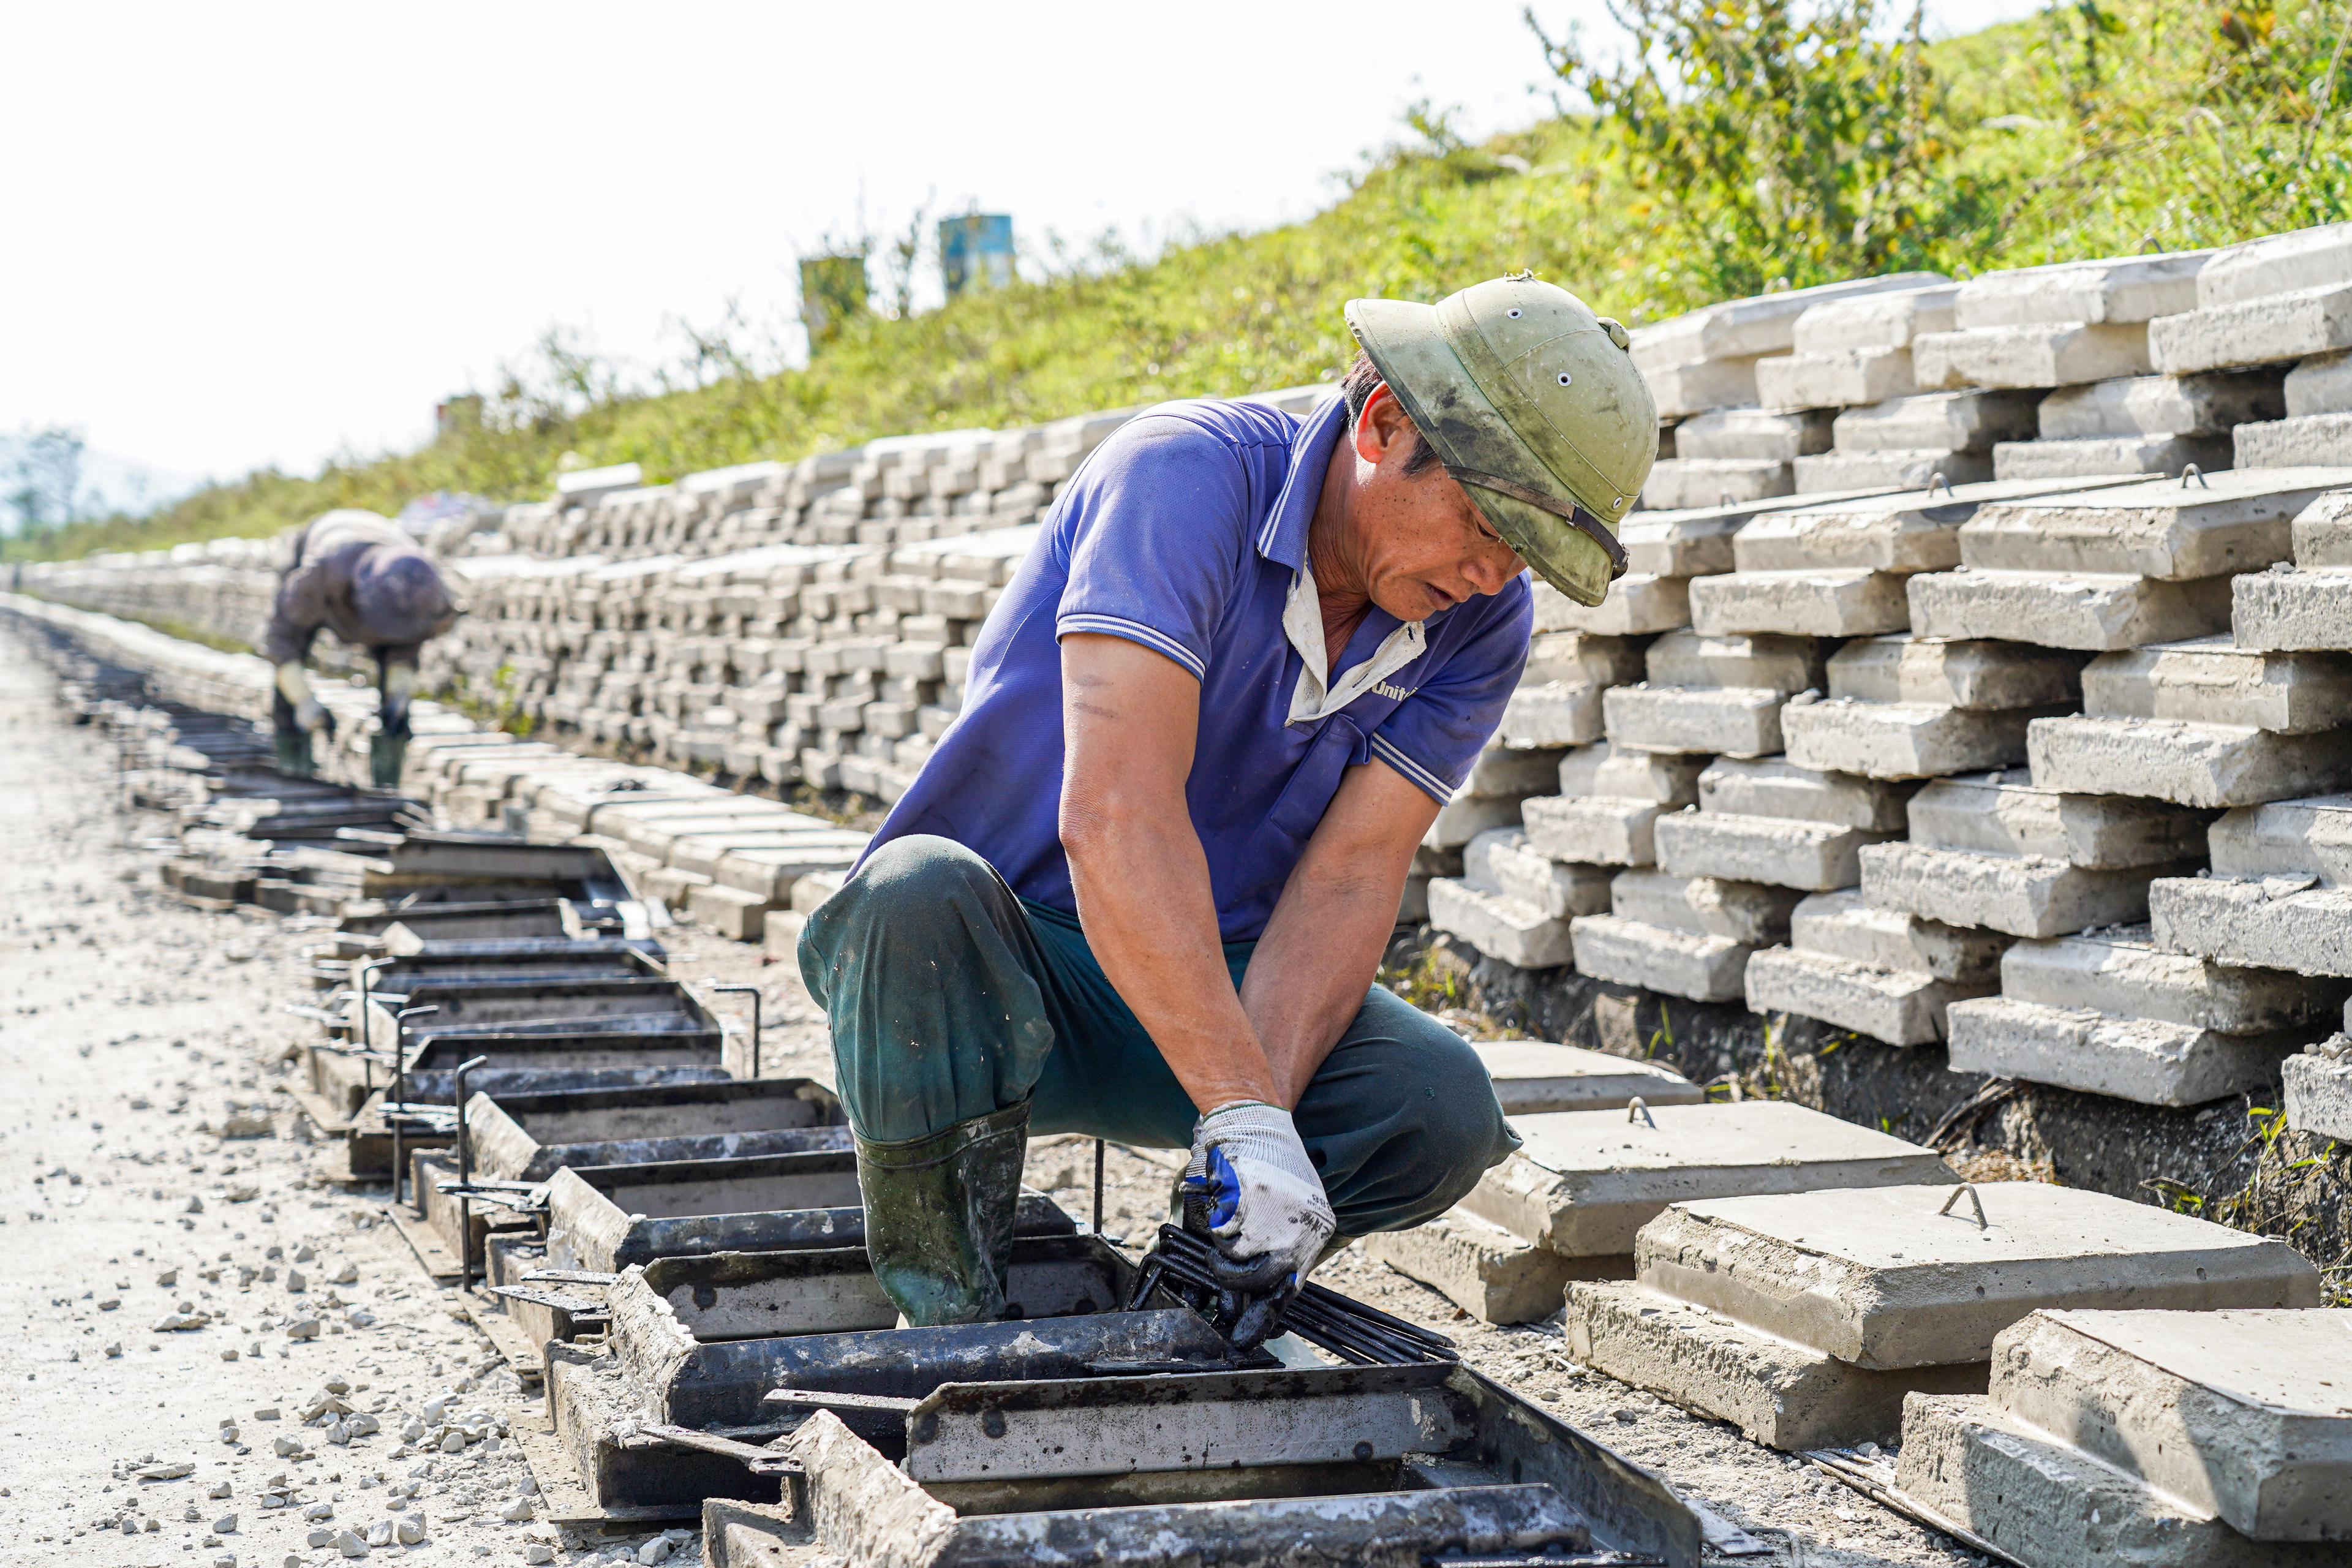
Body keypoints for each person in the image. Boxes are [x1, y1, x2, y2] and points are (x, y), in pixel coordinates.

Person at [799, 275, 1657, 1332]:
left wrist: (1251, 1145)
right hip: (998, 979)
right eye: (1488, 524)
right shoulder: (1184, 479)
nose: (1492, 577)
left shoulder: (1479, 624)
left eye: (1523, 556)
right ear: (1385, 424)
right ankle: (949, 1320)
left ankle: (1208, 1284)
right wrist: (1240, 1105)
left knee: (1434, 1108)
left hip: (1216, 985)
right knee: (911, 895)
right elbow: (1118, 814)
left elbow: (1351, 872)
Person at [262, 509, 459, 788]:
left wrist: (398, 696)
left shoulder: (418, 584)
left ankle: (387, 781)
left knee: (395, 715)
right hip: (326, 543)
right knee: (289, 685)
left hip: (377, 544)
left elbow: (407, 643)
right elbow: (280, 641)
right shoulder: (317, 574)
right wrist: (304, 700)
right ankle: (294, 769)